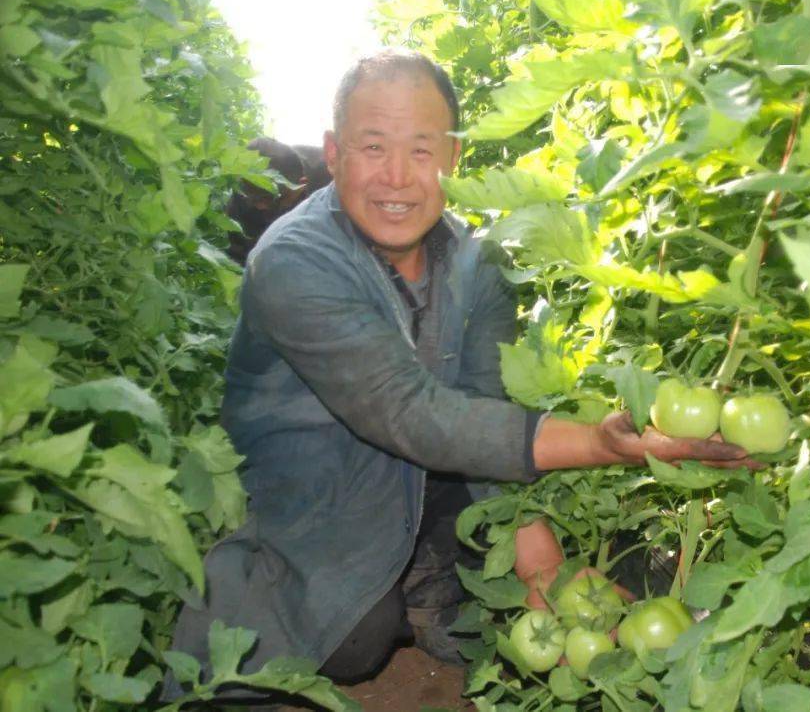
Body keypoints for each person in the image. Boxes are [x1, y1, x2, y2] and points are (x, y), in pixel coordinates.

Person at [164, 49, 755, 700]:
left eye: (422, 150)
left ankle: (424, 578)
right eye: (372, 146)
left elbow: (480, 401)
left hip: (420, 470)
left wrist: (541, 563)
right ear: (333, 154)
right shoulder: (291, 261)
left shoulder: (479, 263)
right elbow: (410, 413)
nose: (397, 177)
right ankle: (270, 587)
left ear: (453, 157)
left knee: (497, 569)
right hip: (313, 488)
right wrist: (598, 442)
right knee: (352, 632)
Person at [225, 138, 332, 265]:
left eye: (271, 199)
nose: (260, 206)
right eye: (254, 198)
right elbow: (239, 260)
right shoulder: (241, 200)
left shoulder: (333, 175)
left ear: (301, 184)